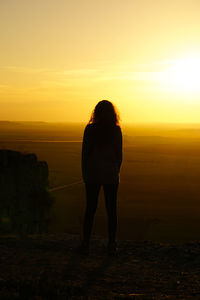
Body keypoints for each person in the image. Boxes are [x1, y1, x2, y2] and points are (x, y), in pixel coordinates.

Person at [79, 100, 123, 256]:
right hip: (110, 174)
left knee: (90, 208)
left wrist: (85, 173)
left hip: (93, 173)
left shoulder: (90, 130)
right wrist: (115, 171)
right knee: (112, 209)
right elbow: (119, 155)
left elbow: (85, 153)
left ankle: (85, 243)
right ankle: (111, 244)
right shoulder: (116, 130)